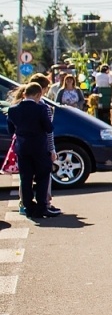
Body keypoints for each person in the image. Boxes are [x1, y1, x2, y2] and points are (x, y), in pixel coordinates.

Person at [7, 82, 59, 219]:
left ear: (24, 94)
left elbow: (10, 130)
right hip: (39, 148)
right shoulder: (41, 109)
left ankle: (28, 208)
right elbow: (49, 128)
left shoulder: (13, 110)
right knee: (42, 177)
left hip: (22, 148)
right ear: (38, 94)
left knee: (25, 178)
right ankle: (41, 207)